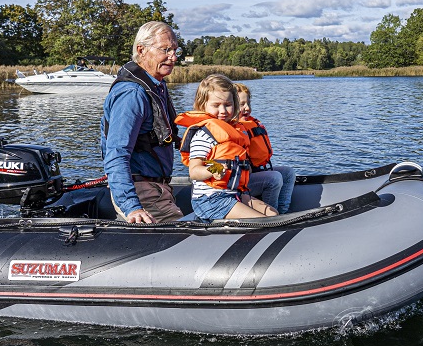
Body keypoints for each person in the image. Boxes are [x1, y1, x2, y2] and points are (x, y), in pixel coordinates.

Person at [101, 21, 183, 223]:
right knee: (190, 240)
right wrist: (132, 207)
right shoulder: (132, 94)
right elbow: (116, 153)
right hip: (143, 194)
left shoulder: (156, 86)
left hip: (157, 189)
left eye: (175, 50)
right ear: (141, 50)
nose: (173, 57)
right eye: (165, 50)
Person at [175, 74, 278, 221]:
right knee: (264, 222)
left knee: (273, 215)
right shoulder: (203, 135)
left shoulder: (235, 131)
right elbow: (194, 171)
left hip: (233, 194)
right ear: (202, 105)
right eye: (216, 106)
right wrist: (212, 170)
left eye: (228, 104)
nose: (223, 111)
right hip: (210, 199)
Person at [235, 82, 297, 214]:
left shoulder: (252, 123)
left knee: (288, 173)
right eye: (242, 105)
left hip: (260, 170)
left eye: (248, 103)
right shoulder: (234, 129)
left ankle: (283, 211)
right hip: (242, 182)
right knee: (274, 178)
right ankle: (271, 215)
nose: (247, 108)